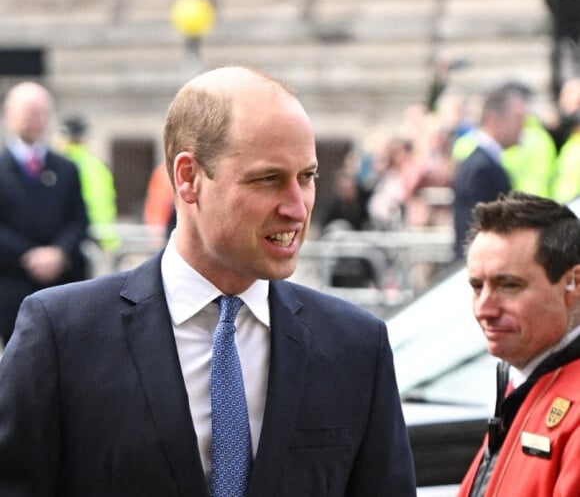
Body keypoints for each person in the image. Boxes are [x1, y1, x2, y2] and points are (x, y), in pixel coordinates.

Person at [0, 66, 416, 496]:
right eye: (268, 179)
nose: (297, 207)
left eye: (307, 177)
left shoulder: (356, 346)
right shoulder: (62, 335)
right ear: (188, 177)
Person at [457, 191, 580, 497]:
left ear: (574, 283)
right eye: (476, 286)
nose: (484, 308)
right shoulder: (525, 379)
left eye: (509, 285)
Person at [0, 81, 89, 346]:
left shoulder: (66, 168)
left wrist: (59, 253)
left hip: (61, 283)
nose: (36, 120)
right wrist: (28, 255)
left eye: (42, 113)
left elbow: (79, 219)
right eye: (29, 112)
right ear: (8, 114)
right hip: (11, 283)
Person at [452, 83, 527, 260]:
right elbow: (477, 228)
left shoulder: (486, 161)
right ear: (493, 120)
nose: (522, 127)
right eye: (517, 119)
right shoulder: (482, 166)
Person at [58, 116, 118, 249]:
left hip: (80, 238)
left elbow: (96, 203)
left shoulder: (64, 166)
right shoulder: (95, 164)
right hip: (95, 236)